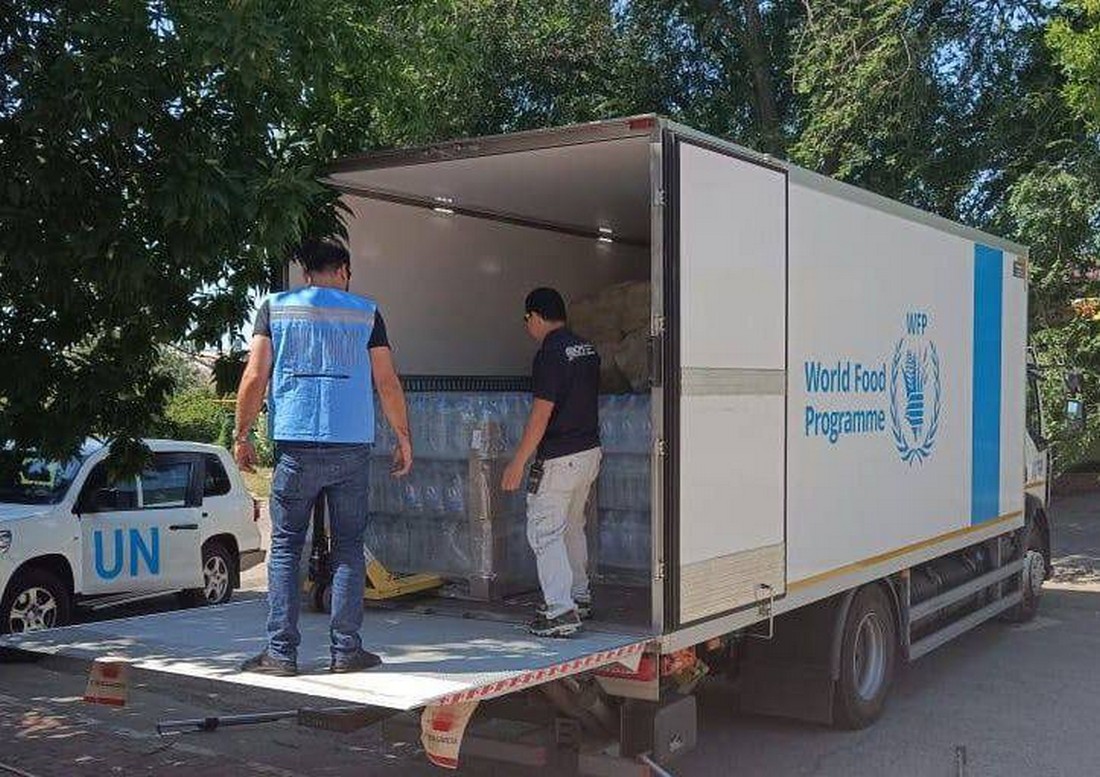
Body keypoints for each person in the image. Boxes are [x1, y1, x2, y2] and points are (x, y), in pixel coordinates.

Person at [234, 237, 412, 676]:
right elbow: (387, 382)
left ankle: (280, 654)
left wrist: (240, 434)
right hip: (350, 446)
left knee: (286, 548)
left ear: (305, 273)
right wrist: (403, 436)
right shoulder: (366, 312)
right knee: (348, 547)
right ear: (345, 271)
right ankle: (346, 651)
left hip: (295, 444)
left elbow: (256, 375)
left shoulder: (274, 307)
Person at [502, 287, 602, 637]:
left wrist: (518, 462)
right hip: (589, 453)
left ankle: (560, 611)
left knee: (545, 532)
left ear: (535, 316)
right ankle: (578, 596)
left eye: (525, 319)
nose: (526, 326)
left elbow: (541, 413)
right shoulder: (586, 349)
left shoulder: (550, 354)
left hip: (559, 458)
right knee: (573, 527)